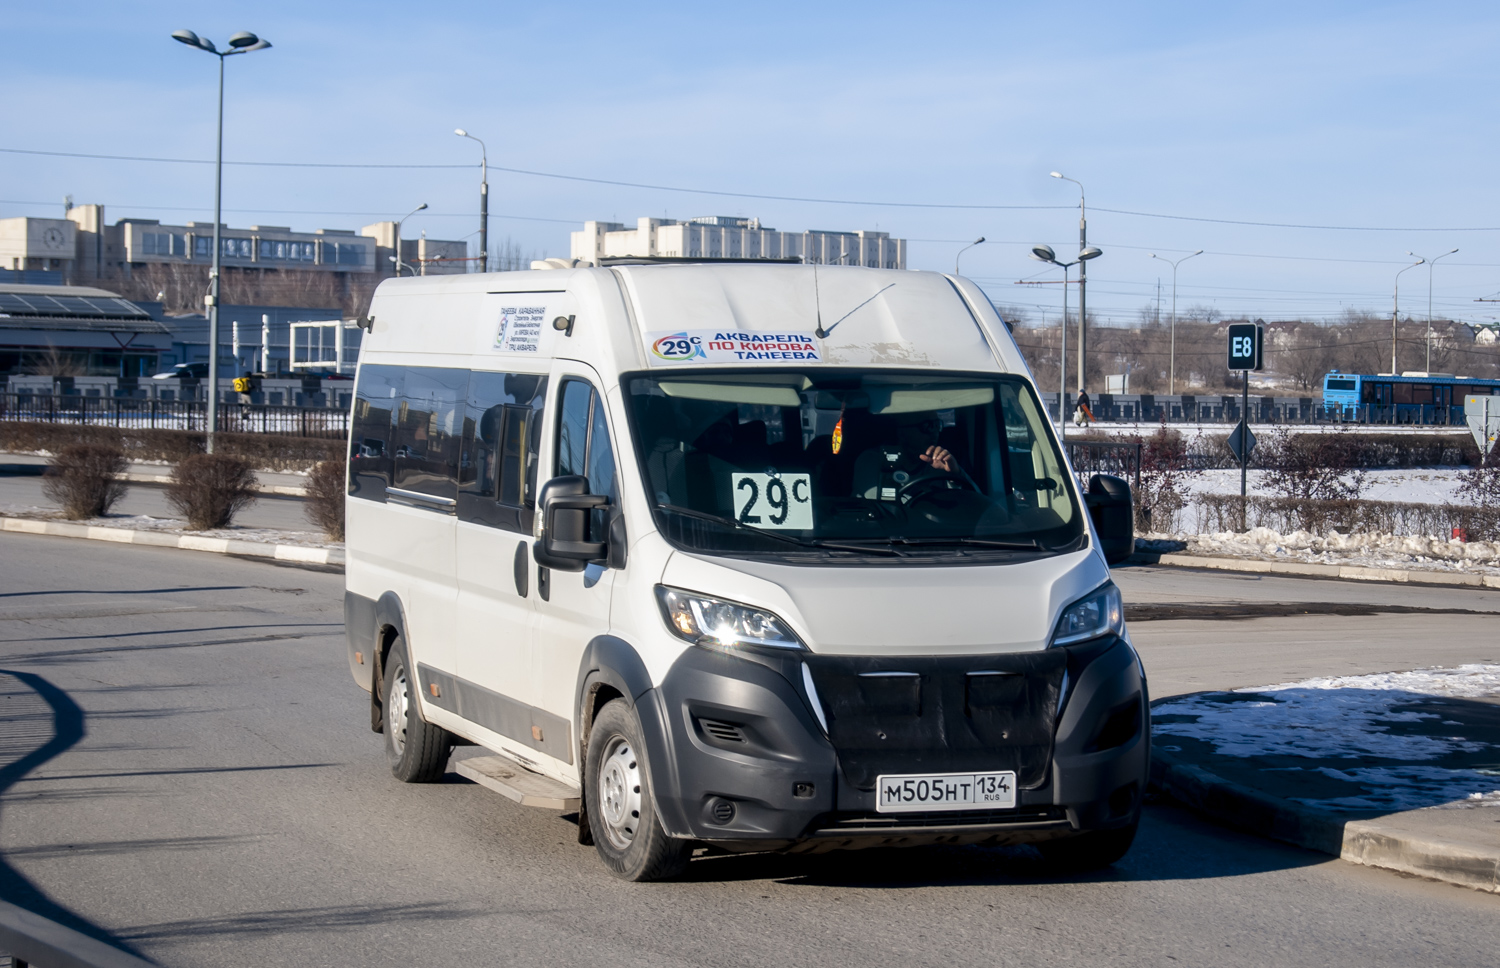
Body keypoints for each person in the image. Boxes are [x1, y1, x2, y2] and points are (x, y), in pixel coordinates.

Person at [851, 411, 960, 501]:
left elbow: (968, 501)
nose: (934, 432)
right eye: (926, 426)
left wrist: (954, 476)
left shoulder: (939, 463)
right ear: (902, 431)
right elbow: (886, 503)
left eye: (937, 425)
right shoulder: (871, 461)